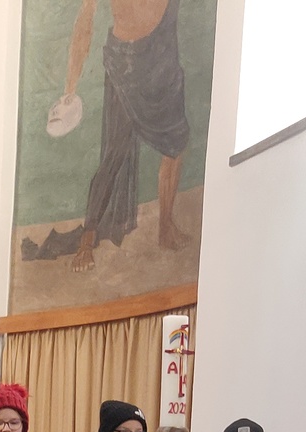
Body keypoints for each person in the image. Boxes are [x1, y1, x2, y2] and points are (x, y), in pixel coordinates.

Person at [26, 0, 192, 268]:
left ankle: (165, 227)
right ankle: (86, 242)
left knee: (175, 144)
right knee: (114, 153)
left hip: (163, 55)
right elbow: (84, 24)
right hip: (126, 62)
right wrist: (69, 90)